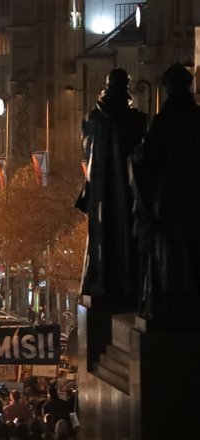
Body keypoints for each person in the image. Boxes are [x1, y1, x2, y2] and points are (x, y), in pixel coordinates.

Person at [130, 63, 200, 321]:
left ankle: (170, 304)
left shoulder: (163, 122)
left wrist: (134, 154)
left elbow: (145, 161)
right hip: (193, 201)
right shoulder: (196, 118)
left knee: (169, 259)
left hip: (168, 202)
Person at [75, 68, 147, 307]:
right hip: (126, 192)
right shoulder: (134, 121)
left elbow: (86, 153)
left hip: (100, 195)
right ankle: (125, 282)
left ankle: (101, 280)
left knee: (102, 239)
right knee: (124, 237)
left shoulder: (93, 119)